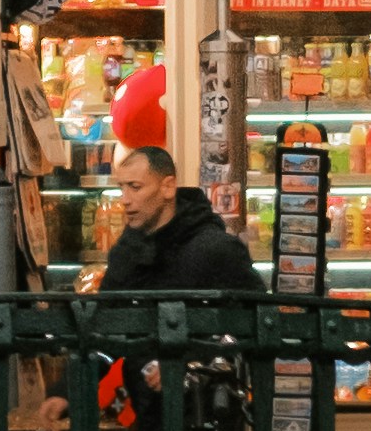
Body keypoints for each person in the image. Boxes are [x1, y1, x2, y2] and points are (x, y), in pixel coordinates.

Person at [93, 64, 257, 299]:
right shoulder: (125, 253)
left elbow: (257, 321)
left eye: (136, 187)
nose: (125, 200)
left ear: (168, 186)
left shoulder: (217, 252)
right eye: (122, 187)